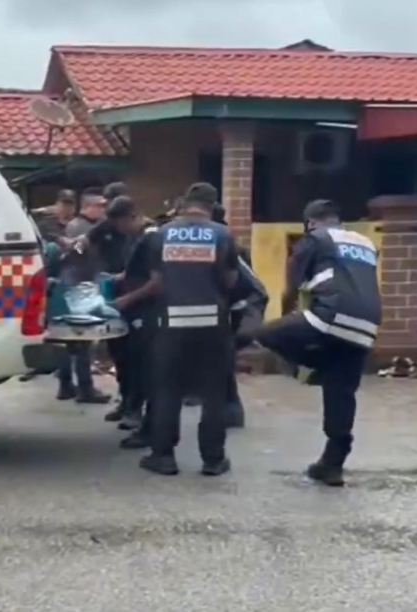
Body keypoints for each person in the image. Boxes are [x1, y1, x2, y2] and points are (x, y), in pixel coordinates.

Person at [253, 199, 381, 487]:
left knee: (264, 335)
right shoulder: (365, 243)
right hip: (367, 325)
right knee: (342, 393)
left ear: (310, 222)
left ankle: (311, 370)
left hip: (330, 316)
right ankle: (332, 465)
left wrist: (286, 319)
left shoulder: (314, 240)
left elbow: (292, 286)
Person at [140, 182, 240, 476]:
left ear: (184, 203)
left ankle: (164, 456)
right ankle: (213, 459)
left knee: (167, 388)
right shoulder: (222, 235)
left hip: (171, 323)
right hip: (212, 323)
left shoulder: (160, 235)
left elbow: (156, 282)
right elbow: (231, 280)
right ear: (212, 205)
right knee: (213, 392)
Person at [92, 195, 161, 449]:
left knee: (143, 368)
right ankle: (128, 404)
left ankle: (144, 421)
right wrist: (114, 278)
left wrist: (126, 300)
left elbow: (156, 282)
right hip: (129, 308)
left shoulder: (152, 237)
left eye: (120, 225)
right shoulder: (131, 236)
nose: (118, 231)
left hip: (145, 312)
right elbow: (135, 271)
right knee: (122, 357)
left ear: (131, 216)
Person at [210, 203, 268, 429]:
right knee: (220, 358)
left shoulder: (222, 240)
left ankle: (229, 411)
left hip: (242, 307)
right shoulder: (223, 237)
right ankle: (228, 410)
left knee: (221, 357)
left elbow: (241, 283)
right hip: (239, 306)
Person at [55, 187, 111, 404]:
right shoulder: (79, 227)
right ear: (88, 207)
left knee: (70, 338)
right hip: (78, 283)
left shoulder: (86, 226)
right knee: (81, 338)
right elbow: (74, 252)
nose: (104, 210)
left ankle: (67, 384)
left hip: (77, 282)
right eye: (100, 206)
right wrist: (84, 244)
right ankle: (84, 388)